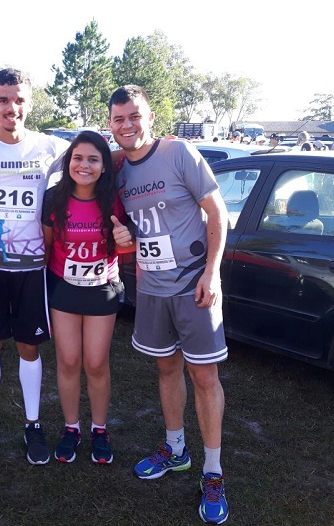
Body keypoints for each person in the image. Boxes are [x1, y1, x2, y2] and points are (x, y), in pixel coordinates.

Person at [108, 85, 229, 524]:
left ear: (150, 116)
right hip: (152, 289)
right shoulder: (118, 169)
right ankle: (175, 448)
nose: (128, 125)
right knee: (165, 368)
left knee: (204, 375)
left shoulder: (179, 153)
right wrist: (122, 239)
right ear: (111, 125)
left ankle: (212, 471)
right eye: (119, 119)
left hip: (194, 286)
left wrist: (212, 271)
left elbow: (217, 213)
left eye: (134, 116)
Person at [0, 68, 69, 465]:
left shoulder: (52, 146)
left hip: (31, 270)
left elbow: (99, 154)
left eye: (19, 99)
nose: (12, 107)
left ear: (29, 103)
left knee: (28, 346)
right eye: (4, 99)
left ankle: (33, 425)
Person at [42, 131, 126, 465]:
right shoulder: (53, 198)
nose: (84, 165)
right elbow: (47, 247)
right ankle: (71, 428)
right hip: (63, 288)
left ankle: (100, 430)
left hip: (101, 290)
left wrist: (125, 239)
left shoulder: (114, 200)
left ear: (104, 165)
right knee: (68, 360)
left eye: (93, 159)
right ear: (69, 162)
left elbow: (126, 244)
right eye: (78, 158)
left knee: (95, 362)